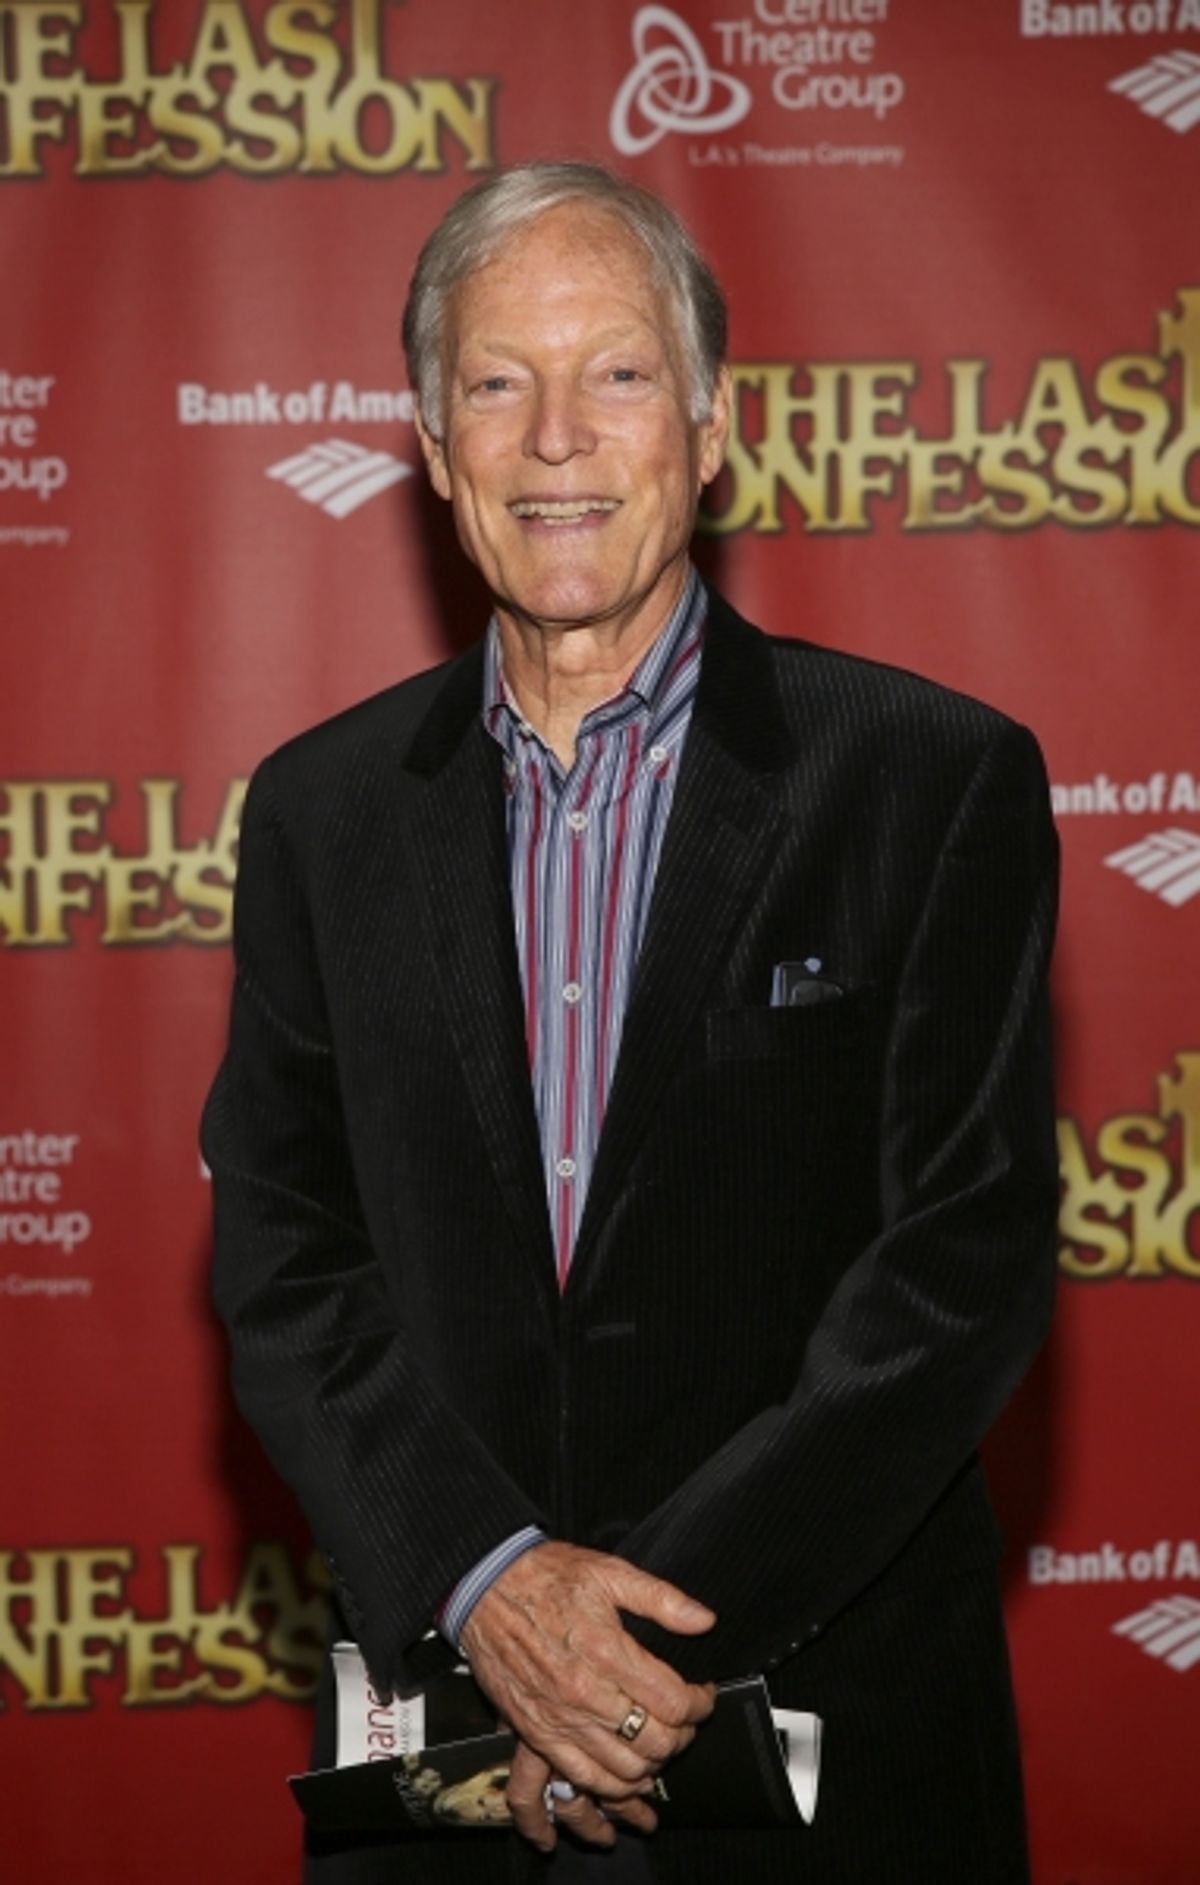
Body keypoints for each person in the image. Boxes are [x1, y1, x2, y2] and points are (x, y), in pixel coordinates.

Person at [203, 161, 1059, 1884]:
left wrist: (614, 1655)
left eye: (616, 372)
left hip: (826, 1747)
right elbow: (287, 1258)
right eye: (495, 383)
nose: (556, 439)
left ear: (711, 424)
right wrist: (490, 1585)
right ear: (433, 446)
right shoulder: (318, 814)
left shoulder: (929, 781)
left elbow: (956, 1273)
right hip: (452, 1755)